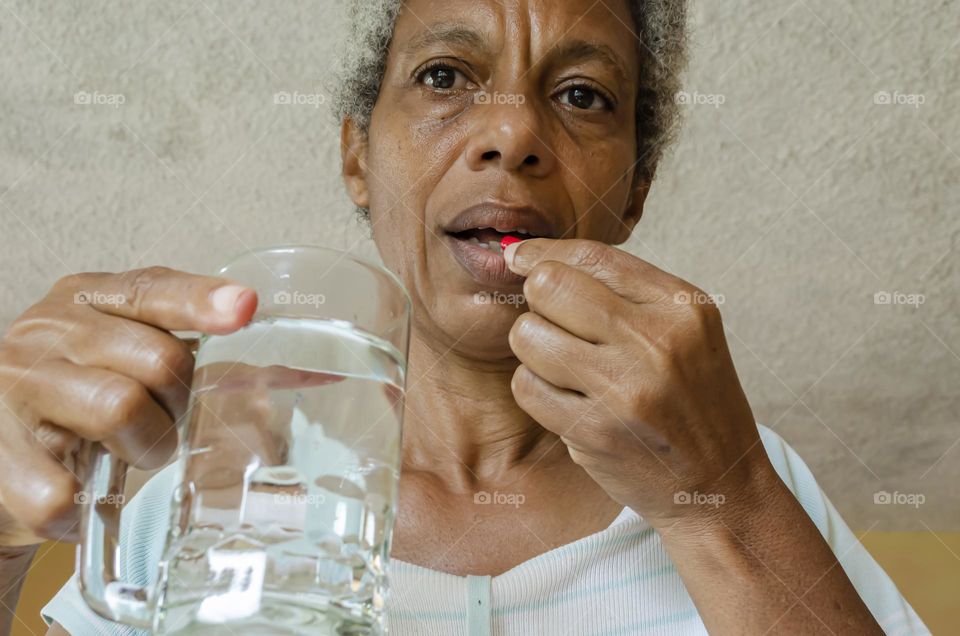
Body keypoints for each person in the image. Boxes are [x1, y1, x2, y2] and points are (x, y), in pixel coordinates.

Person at [0, 0, 930, 634]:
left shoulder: (757, 481)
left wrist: (724, 503)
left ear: (634, 191)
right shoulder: (196, 482)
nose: (513, 134)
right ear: (359, 158)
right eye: (446, 77)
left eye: (582, 96)